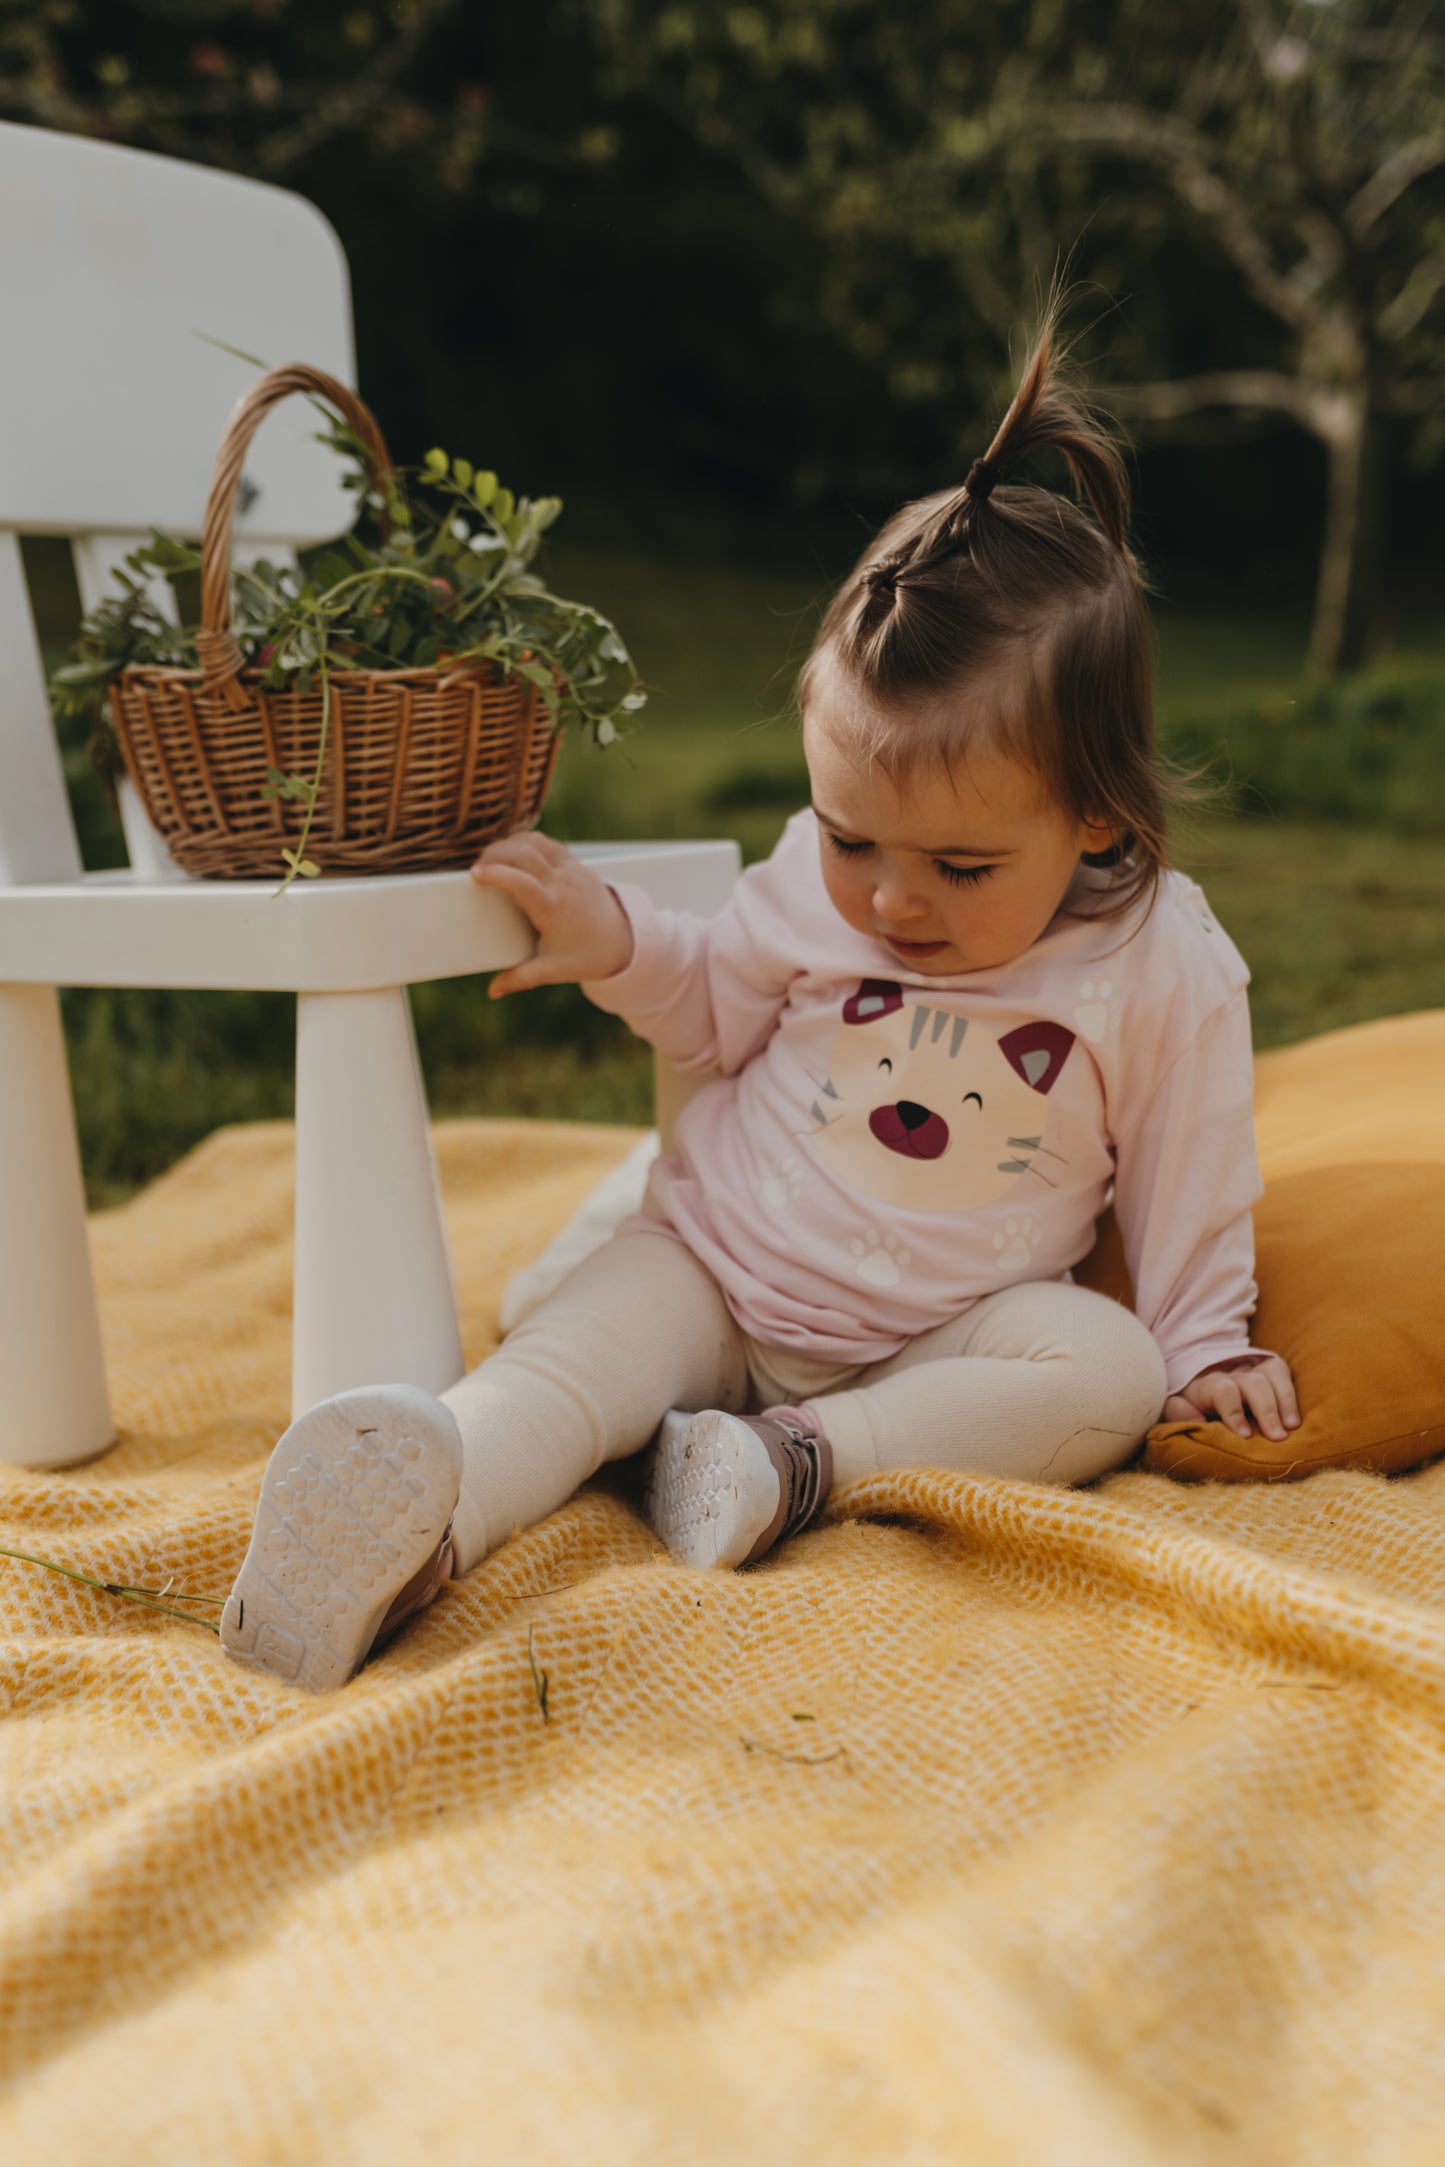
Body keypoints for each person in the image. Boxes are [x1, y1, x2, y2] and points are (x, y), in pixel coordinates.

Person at [221, 306, 1299, 1692]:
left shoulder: (1155, 963)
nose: (890, 900)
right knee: (560, 1377)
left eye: (958, 866)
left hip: (934, 1339)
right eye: (850, 837)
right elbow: (713, 1006)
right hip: (716, 1274)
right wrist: (611, 939)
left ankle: (786, 1468)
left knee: (1105, 1371)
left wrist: (1206, 1340)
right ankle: (412, 1527)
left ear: (1096, 820)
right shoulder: (810, 881)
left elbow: (1188, 1165)